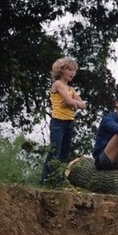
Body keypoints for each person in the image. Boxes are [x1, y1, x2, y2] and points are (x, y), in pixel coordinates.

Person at [40, 57, 86, 185]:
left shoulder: (70, 88)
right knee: (55, 152)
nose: (72, 73)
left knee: (64, 154)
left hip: (69, 122)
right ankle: (45, 180)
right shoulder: (58, 84)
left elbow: (82, 105)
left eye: (74, 70)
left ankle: (58, 181)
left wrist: (73, 104)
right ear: (61, 70)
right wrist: (73, 103)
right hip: (58, 122)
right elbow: (73, 102)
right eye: (69, 70)